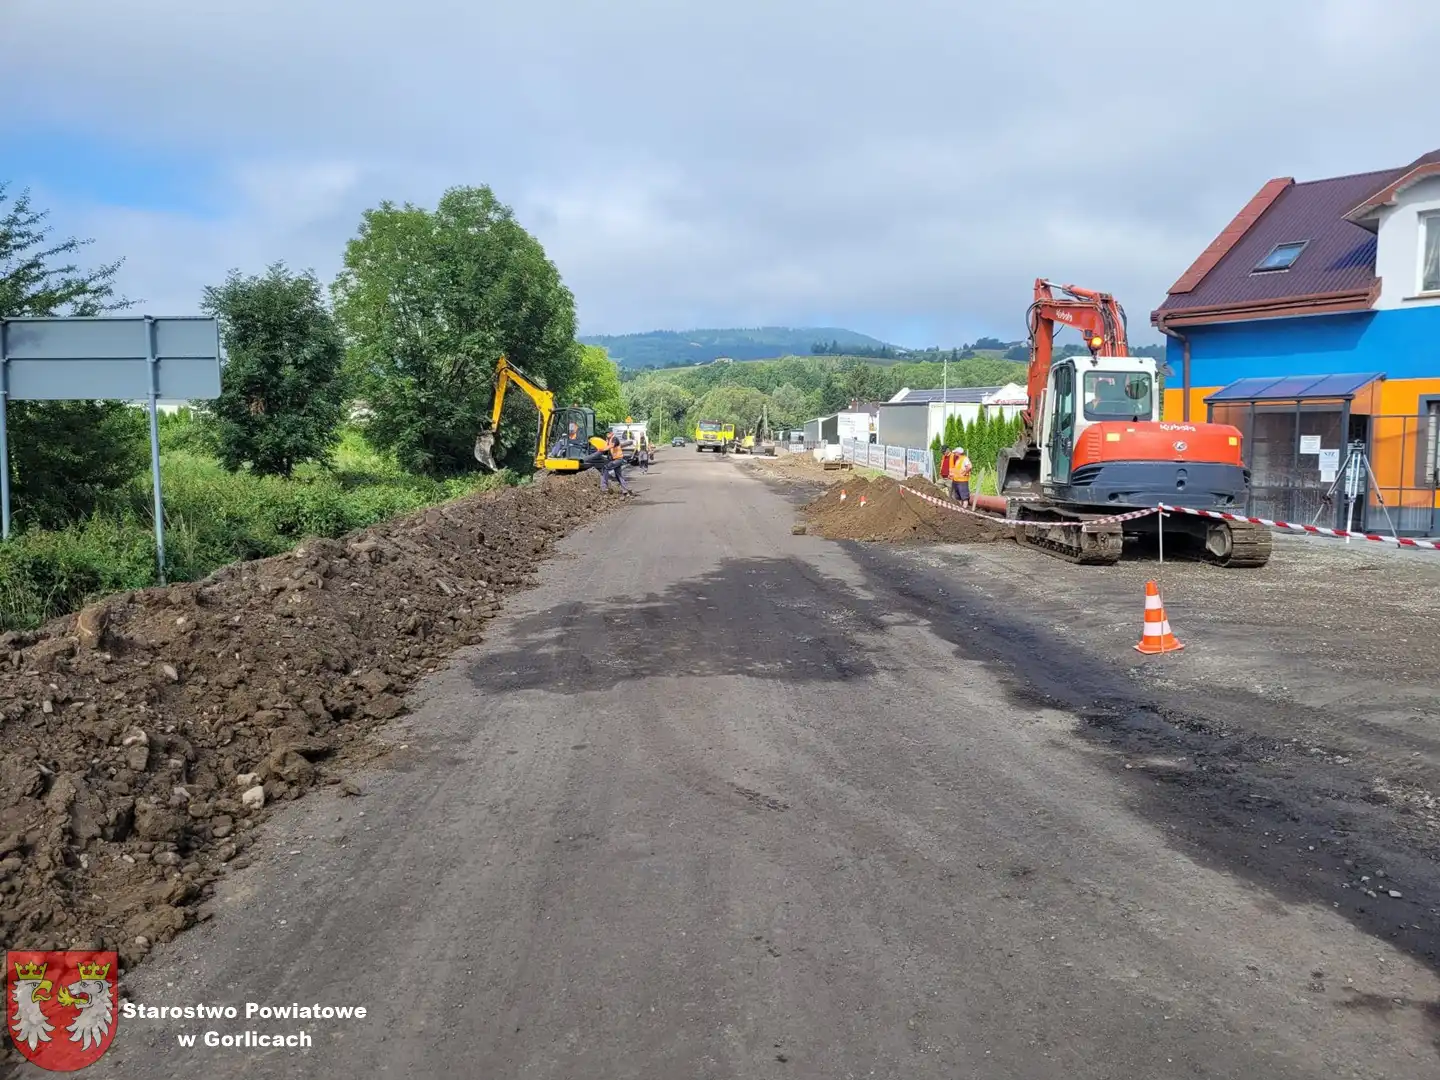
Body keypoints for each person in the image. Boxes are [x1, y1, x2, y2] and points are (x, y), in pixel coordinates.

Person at [600, 430, 634, 497]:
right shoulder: (608, 440)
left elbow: (611, 446)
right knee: (618, 475)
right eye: (606, 433)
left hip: (618, 459)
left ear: (612, 433)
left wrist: (603, 449)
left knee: (605, 468)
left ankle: (604, 487)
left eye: (608, 433)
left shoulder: (615, 439)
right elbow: (607, 448)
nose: (607, 434)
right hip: (615, 459)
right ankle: (626, 490)